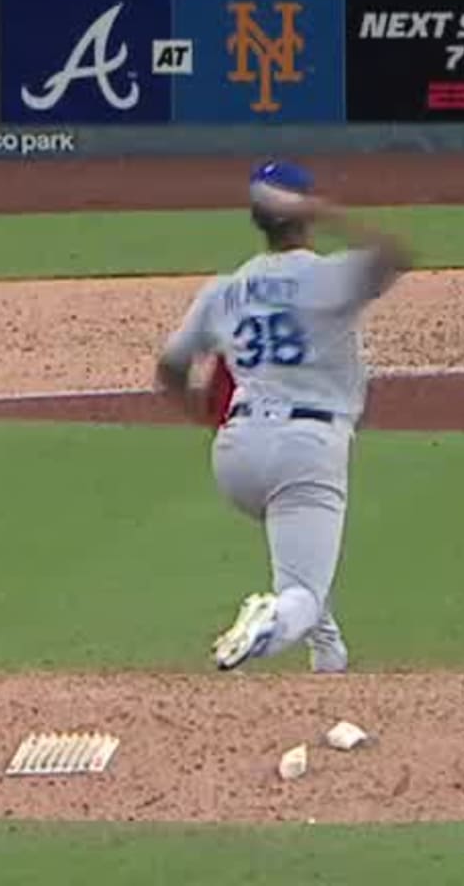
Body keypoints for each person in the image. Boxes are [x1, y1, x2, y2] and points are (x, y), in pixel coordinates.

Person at [159, 162, 409, 678]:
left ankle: (329, 661)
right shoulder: (326, 276)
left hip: (236, 452)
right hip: (306, 449)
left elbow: (170, 369)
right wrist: (331, 213)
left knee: (301, 556)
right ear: (302, 214)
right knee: (302, 595)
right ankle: (266, 625)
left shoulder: (224, 289)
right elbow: (395, 254)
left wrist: (209, 421)